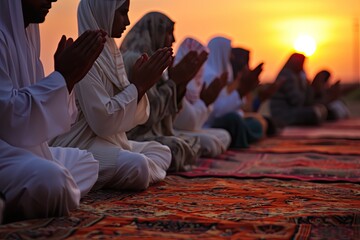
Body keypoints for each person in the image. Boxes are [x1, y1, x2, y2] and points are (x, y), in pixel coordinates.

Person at [0, 0, 105, 222]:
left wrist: (66, 80)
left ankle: (19, 195)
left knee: (88, 162)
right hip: (4, 149)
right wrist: (63, 77)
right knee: (53, 180)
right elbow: (8, 118)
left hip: (27, 149)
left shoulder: (28, 36)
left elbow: (36, 115)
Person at [51, 0, 172, 191]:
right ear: (103, 12)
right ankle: (100, 173)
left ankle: (105, 175)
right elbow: (102, 122)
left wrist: (139, 88)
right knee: (138, 165)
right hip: (83, 144)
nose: (127, 20)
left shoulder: (112, 54)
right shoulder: (83, 58)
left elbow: (137, 116)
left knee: (162, 151)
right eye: (122, 13)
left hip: (112, 141)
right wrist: (139, 87)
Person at [121, 12, 207, 171]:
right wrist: (173, 82)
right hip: (136, 136)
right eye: (169, 32)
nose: (173, 39)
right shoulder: (136, 59)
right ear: (155, 31)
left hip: (152, 135)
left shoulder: (154, 60)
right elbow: (147, 115)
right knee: (178, 148)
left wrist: (181, 84)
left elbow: (168, 119)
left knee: (193, 143)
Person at [173, 37, 231, 157]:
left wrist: (205, 103)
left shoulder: (199, 81)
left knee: (224, 135)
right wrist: (205, 103)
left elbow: (193, 124)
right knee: (211, 142)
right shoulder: (209, 76)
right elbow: (188, 123)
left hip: (191, 129)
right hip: (173, 131)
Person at [203, 36, 265, 148]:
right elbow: (217, 111)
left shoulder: (218, 74)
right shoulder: (209, 76)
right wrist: (241, 91)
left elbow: (225, 105)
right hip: (209, 124)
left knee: (255, 122)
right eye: (229, 52)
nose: (231, 56)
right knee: (234, 120)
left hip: (220, 121)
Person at [269, 53, 328, 126]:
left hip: (291, 111)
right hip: (283, 114)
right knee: (315, 112)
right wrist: (305, 86)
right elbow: (297, 101)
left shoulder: (294, 76)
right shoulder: (287, 76)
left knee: (320, 109)